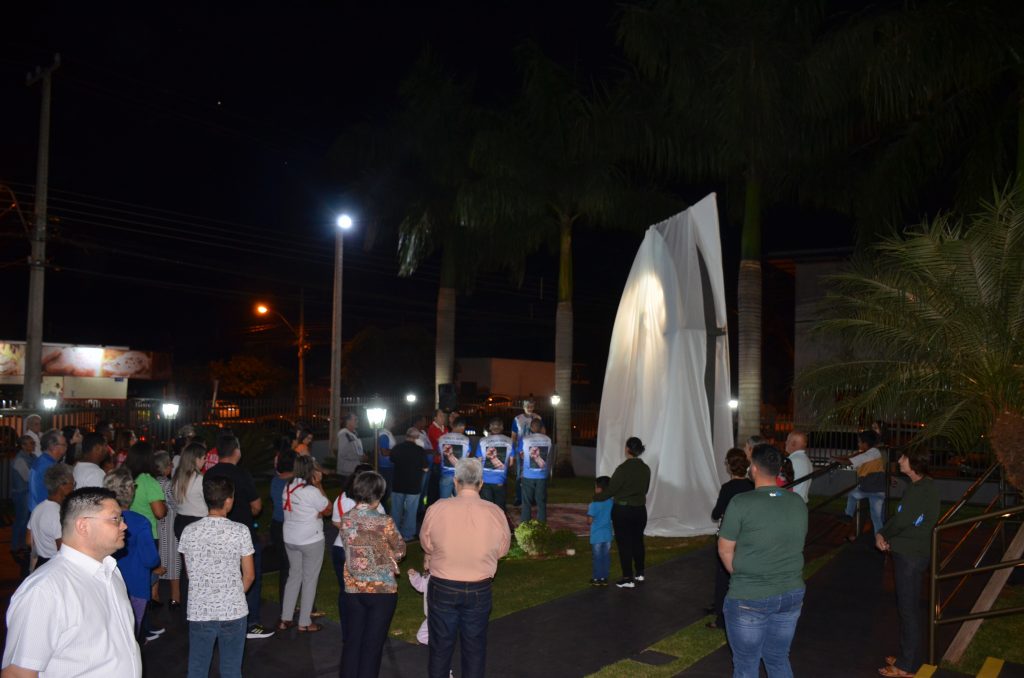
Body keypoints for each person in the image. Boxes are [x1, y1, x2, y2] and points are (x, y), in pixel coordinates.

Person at [2, 487, 143, 676]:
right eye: (115, 519)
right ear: (83, 526)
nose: (124, 526)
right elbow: (17, 673)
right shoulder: (46, 591)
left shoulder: (111, 571)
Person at [718, 443, 808, 678]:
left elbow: (725, 550)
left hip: (750, 596)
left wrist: (741, 575)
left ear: (754, 469)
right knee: (778, 658)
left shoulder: (741, 502)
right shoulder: (797, 502)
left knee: (746, 665)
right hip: (790, 594)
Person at [420, 457, 511, 678]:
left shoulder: (438, 508)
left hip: (443, 586)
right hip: (479, 588)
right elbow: (502, 550)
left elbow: (427, 543)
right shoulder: (495, 512)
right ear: (481, 483)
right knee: (475, 647)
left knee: (440, 647)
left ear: (455, 481)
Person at [178, 474, 256, 678]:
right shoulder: (240, 531)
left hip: (200, 611)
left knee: (197, 669)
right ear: (228, 501)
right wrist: (234, 594)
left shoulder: (189, 531)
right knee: (231, 669)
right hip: (233, 610)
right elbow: (249, 575)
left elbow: (190, 572)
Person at [875, 451, 940, 678]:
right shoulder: (920, 486)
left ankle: (906, 667)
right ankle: (908, 657)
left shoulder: (921, 489)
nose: (899, 461)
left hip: (911, 555)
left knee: (908, 609)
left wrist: (882, 533)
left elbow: (902, 519)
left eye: (903, 458)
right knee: (907, 608)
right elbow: (905, 516)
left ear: (914, 463)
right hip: (909, 552)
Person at [337, 470, 407, 678]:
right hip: (381, 591)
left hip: (353, 589)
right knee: (372, 647)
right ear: (379, 495)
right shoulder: (384, 522)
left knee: (352, 643)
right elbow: (401, 549)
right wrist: (391, 555)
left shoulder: (346, 519)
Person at [205, 434, 273, 639]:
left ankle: (223, 615)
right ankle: (250, 623)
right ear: (236, 451)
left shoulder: (209, 474)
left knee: (222, 574)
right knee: (250, 574)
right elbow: (257, 506)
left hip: (216, 532)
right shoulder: (242, 474)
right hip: (242, 533)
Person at [104, 468, 163, 640]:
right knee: (132, 635)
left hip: (108, 584)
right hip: (136, 585)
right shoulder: (140, 522)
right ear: (131, 492)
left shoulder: (101, 519)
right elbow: (150, 558)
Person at [278, 455, 330, 633]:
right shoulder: (311, 491)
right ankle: (305, 622)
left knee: (294, 576)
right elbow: (328, 508)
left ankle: (285, 618)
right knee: (309, 579)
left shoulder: (288, 487)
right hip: (310, 539)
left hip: (290, 538)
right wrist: (319, 484)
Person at [707, 448, 755, 630]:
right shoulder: (751, 486)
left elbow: (716, 513)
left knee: (723, 577)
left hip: (729, 536)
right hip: (747, 536)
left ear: (729, 466)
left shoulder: (728, 488)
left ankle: (720, 618)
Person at [331, 464, 385, 620]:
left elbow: (335, 522)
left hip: (340, 547)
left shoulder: (340, 498)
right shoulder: (373, 502)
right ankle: (361, 624)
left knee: (345, 591)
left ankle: (347, 626)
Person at [603, 436, 652, 588]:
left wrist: (597, 496)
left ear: (627, 449)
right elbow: (645, 489)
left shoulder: (622, 469)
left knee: (624, 543)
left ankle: (627, 578)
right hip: (640, 510)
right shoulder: (645, 469)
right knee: (638, 541)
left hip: (623, 510)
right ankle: (640, 572)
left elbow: (611, 490)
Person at [836, 429, 887, 539]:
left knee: (854, 496)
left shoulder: (872, 453)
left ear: (865, 443)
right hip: (873, 489)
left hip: (870, 489)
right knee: (875, 517)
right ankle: (879, 540)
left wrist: (835, 459)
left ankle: (849, 515)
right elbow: (852, 458)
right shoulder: (872, 452)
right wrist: (840, 458)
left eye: (859, 442)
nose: (858, 444)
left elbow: (849, 461)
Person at [26, 462, 75, 568]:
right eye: (73, 483)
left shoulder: (38, 509)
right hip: (54, 566)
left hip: (40, 563)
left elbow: (29, 541)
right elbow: (63, 550)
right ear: (63, 485)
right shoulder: (57, 514)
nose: (74, 488)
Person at [390, 428, 430, 541]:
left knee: (396, 510)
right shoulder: (420, 450)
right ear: (416, 438)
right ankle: (407, 534)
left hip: (398, 484)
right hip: (414, 485)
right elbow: (426, 468)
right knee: (411, 511)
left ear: (406, 436)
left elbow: (392, 459)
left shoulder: (397, 448)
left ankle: (394, 533)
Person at [153, 450, 181, 609]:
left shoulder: (150, 483)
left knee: (157, 560)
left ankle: (154, 595)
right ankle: (175, 598)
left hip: (155, 526)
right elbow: (176, 504)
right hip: (169, 525)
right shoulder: (168, 485)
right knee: (173, 560)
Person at [125, 441, 168, 543]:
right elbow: (159, 513)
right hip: (146, 534)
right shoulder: (148, 481)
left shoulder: (125, 477)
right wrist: (165, 507)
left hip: (126, 531)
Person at [270, 443, 296, 604]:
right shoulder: (292, 484)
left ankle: (287, 604)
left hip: (276, 526)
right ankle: (286, 607)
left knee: (286, 567)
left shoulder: (275, 481)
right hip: (288, 527)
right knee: (289, 568)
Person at [173, 442, 209, 541]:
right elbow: (208, 502)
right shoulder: (200, 479)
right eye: (204, 458)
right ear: (197, 460)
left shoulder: (177, 477)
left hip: (180, 523)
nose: (205, 461)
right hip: (198, 524)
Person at [476, 418, 515, 510]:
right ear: (502, 427)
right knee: (500, 508)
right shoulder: (509, 441)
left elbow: (479, 460)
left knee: (486, 508)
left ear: (490, 427)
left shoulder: (482, 441)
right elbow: (511, 462)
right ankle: (500, 524)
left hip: (485, 480)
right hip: (500, 480)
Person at [519, 418, 552, 523]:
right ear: (541, 428)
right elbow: (548, 455)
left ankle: (525, 524)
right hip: (542, 475)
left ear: (531, 428)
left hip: (528, 475)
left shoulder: (525, 439)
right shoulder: (548, 440)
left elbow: (521, 454)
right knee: (541, 501)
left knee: (526, 502)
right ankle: (542, 525)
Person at [29, 429, 66, 512]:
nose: (66, 448)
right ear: (53, 447)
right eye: (63, 445)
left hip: (36, 508)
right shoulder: (50, 466)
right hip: (45, 510)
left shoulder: (41, 460)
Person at [437, 418, 474, 499]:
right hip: (460, 476)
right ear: (463, 427)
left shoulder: (442, 438)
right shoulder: (466, 440)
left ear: (453, 426)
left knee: (444, 502)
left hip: (446, 475)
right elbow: (468, 455)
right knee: (460, 502)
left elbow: (439, 453)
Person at [10, 435, 34, 555]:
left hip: (25, 493)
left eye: (33, 442)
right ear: (23, 446)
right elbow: (27, 477)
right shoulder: (20, 460)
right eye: (30, 443)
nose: (33, 445)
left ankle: (21, 544)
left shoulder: (30, 457)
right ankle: (16, 546)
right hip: (21, 493)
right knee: (21, 520)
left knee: (24, 520)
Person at [587, 475, 613, 586]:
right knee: (606, 556)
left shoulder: (594, 504)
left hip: (596, 535)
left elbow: (589, 520)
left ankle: (596, 578)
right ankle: (604, 578)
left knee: (597, 557)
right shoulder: (611, 502)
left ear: (599, 488)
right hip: (607, 534)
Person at [337, 412, 366, 488]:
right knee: (348, 496)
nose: (357, 421)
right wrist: (360, 457)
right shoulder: (344, 434)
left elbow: (355, 450)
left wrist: (362, 456)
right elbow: (343, 453)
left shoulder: (353, 434)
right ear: (348, 421)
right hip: (347, 472)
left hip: (353, 470)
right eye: (355, 420)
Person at [784, 431, 814, 503]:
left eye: (787, 440)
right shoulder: (806, 460)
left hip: (791, 503)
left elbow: (781, 485)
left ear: (793, 443)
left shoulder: (791, 461)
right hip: (801, 503)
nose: (785, 442)